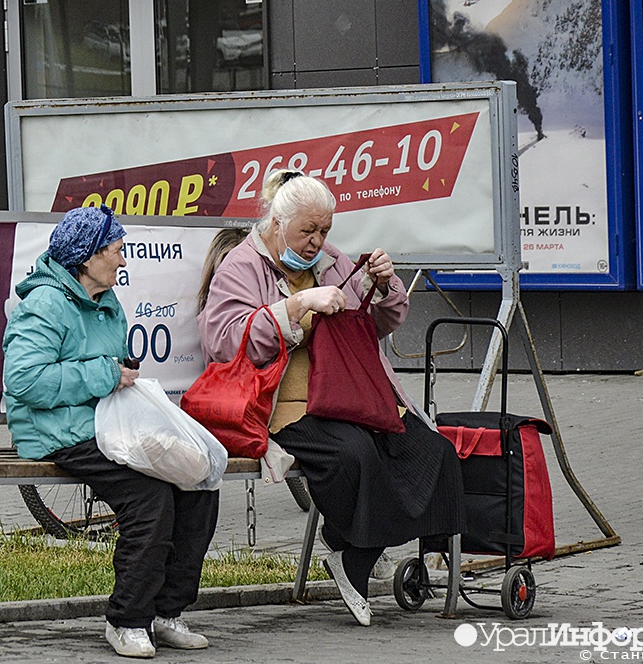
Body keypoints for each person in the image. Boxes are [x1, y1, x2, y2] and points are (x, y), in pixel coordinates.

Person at [196, 169, 465, 626]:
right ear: (278, 224)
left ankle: (350, 557)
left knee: (432, 451)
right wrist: (294, 308)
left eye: (325, 230)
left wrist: (386, 287)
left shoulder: (333, 261)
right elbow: (223, 342)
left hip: (353, 396)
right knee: (356, 455)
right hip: (286, 408)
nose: (317, 241)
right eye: (308, 231)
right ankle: (350, 553)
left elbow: (376, 325)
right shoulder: (241, 267)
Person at [3, 205, 219, 659]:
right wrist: (104, 374)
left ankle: (166, 612)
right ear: (87, 256)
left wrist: (121, 373)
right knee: (149, 498)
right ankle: (126, 620)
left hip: (103, 424)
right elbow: (23, 380)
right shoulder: (44, 303)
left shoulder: (106, 304)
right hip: (56, 432)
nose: (123, 261)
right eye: (117, 252)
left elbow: (109, 369)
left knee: (198, 479)